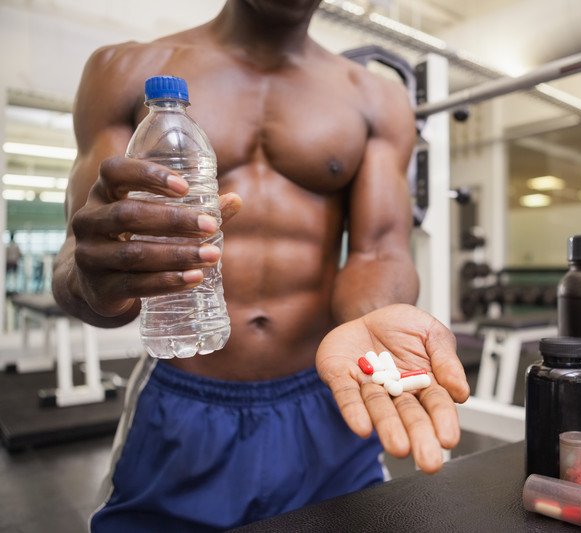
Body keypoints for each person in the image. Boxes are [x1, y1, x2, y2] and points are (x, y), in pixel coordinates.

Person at [52, 1, 470, 531]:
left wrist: (376, 322)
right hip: (185, 398)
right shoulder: (124, 70)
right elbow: (78, 256)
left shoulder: (377, 98)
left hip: (331, 393)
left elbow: (379, 251)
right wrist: (95, 283)